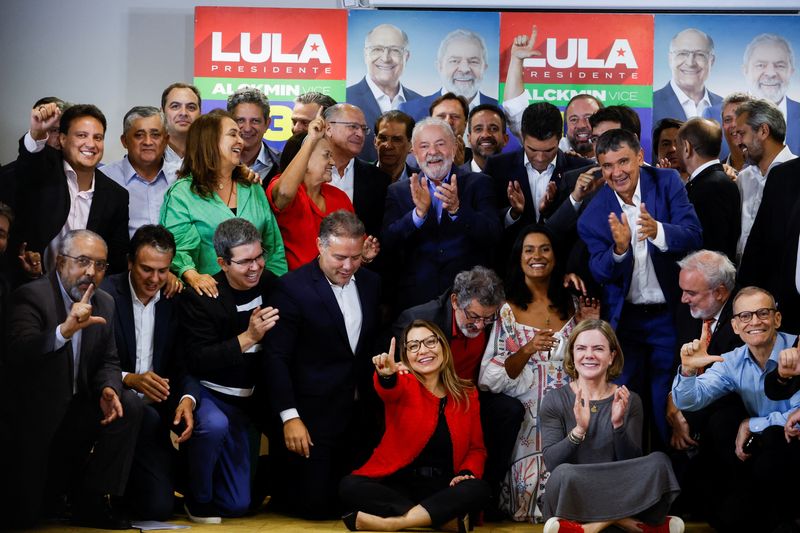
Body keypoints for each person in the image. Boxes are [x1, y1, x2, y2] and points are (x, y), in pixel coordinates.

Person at [5, 229, 143, 529]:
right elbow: (19, 352)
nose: (91, 272)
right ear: (60, 262)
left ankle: (92, 501)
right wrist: (63, 332)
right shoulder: (32, 296)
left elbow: (109, 359)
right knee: (25, 517)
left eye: (100, 265)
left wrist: (108, 387)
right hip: (34, 415)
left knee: (128, 404)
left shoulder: (104, 302)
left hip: (78, 409)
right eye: (82, 261)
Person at [577, 128, 702, 445]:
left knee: (667, 401)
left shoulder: (668, 182)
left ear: (640, 157)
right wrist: (619, 250)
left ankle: (670, 482)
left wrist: (657, 229)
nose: (616, 172)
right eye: (607, 166)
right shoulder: (592, 213)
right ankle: (629, 480)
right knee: (623, 405)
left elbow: (693, 236)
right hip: (626, 323)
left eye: (623, 162)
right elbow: (598, 270)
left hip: (669, 316)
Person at [263, 210, 382, 519]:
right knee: (316, 508)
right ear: (320, 246)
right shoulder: (291, 288)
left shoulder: (371, 284)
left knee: (358, 502)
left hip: (360, 415)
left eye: (356, 257)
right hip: (312, 418)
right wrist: (290, 417)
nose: (348, 266)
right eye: (340, 257)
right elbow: (276, 358)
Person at [479, 225, 599, 522]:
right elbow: (490, 377)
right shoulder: (505, 309)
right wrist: (528, 348)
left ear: (556, 257)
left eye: (545, 249)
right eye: (529, 250)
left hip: (568, 407)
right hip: (526, 411)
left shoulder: (573, 304)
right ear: (518, 258)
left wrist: (588, 325)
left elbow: (592, 361)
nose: (537, 256)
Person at [392, 266, 523, 519]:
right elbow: (399, 378)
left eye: (487, 319)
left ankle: (485, 495)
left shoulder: (490, 323)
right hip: (430, 399)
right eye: (473, 316)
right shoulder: (419, 319)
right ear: (455, 301)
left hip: (469, 397)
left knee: (510, 410)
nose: (480, 325)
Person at [339, 319, 489, 532]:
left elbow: (477, 448)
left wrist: (466, 471)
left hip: (444, 487)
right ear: (406, 355)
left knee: (478, 488)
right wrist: (386, 375)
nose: (423, 351)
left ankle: (393, 523)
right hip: (399, 485)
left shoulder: (467, 394)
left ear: (442, 346)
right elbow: (388, 389)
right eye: (413, 346)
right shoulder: (403, 380)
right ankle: (440, 520)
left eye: (430, 342)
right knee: (349, 486)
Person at [672, 286, 800, 532]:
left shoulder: (797, 348)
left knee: (771, 444)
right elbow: (690, 401)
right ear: (735, 326)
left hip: (791, 445)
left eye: (763, 313)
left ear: (777, 319)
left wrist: (753, 424)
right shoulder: (732, 361)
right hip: (763, 453)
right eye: (745, 316)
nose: (755, 321)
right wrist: (688, 371)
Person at [177, 218, 280, 523]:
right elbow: (196, 359)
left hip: (249, 402)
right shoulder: (202, 297)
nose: (255, 267)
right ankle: (196, 496)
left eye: (259, 256)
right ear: (222, 262)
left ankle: (201, 477)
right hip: (211, 395)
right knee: (214, 426)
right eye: (244, 261)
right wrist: (248, 338)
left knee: (237, 506)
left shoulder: (272, 285)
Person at [540, 319, 682, 533]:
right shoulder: (554, 399)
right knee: (563, 475)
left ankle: (589, 528)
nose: (589, 355)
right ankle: (631, 524)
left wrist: (618, 425)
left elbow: (632, 461)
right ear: (572, 354)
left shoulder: (629, 399)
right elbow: (552, 463)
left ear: (611, 356)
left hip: (619, 485)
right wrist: (579, 430)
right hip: (578, 486)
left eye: (598, 349)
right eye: (581, 348)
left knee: (659, 462)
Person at [101, 224, 199, 520]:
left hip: (157, 409)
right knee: (144, 415)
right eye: (146, 269)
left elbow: (186, 362)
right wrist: (128, 379)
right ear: (129, 262)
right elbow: (88, 362)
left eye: (163, 270)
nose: (155, 279)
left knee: (158, 509)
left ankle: (189, 489)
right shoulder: (105, 294)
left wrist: (187, 399)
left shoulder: (174, 299)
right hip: (111, 402)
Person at [159, 109, 287, 298]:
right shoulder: (182, 194)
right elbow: (175, 250)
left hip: (259, 297)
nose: (241, 141)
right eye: (232, 134)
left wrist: (279, 292)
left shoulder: (252, 187)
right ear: (209, 141)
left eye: (240, 135)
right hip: (209, 300)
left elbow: (273, 248)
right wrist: (192, 275)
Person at [382, 117, 500, 311]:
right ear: (414, 152)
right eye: (424, 146)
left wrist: (457, 210)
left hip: (469, 301)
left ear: (454, 148)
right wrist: (417, 215)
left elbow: (493, 234)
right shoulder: (399, 191)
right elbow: (388, 243)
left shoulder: (479, 183)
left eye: (440, 144)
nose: (433, 152)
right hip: (415, 301)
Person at [8, 102, 129, 281]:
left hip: (86, 294)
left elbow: (116, 260)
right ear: (63, 139)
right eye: (82, 135)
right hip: (31, 285)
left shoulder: (116, 195)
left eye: (98, 137)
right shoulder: (44, 170)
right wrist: (37, 132)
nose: (91, 144)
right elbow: (29, 160)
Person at [267, 111, 371, 270]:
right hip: (293, 286)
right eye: (326, 155)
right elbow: (283, 194)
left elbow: (354, 244)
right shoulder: (283, 187)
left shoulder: (339, 197)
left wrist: (363, 254)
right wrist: (312, 139)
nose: (332, 162)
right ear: (304, 158)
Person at [732, 98, 795, 265]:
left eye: (742, 133)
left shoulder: (797, 175)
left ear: (763, 131)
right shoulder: (743, 178)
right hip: (744, 281)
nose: (737, 142)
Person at [347, 23, 422, 162]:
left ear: (407, 56)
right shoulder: (344, 100)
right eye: (377, 49)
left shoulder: (423, 105)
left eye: (394, 50)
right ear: (365, 54)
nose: (386, 58)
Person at [102, 106, 176, 239]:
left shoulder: (181, 177)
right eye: (139, 135)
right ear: (124, 141)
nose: (148, 142)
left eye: (155, 135)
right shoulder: (104, 178)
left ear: (166, 140)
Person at [677, 118, 741, 263]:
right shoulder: (712, 181)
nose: (675, 150)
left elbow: (712, 248)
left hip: (708, 280)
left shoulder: (710, 186)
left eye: (678, 144)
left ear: (687, 147)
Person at [324, 103, 391, 239]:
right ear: (328, 128)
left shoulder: (379, 180)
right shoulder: (306, 174)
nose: (360, 134)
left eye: (363, 129)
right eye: (353, 126)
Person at [399, 29, 497, 122]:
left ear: (484, 68)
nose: (464, 69)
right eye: (454, 61)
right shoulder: (409, 111)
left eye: (473, 61)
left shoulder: (501, 109)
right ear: (439, 66)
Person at [741, 33, 800, 156]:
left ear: (791, 71)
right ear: (745, 70)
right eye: (761, 65)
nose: (771, 73)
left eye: (780, 66)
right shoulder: (718, 116)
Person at [653, 28, 722, 126]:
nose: (690, 63)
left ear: (712, 61)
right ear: (670, 59)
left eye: (700, 54)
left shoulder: (725, 107)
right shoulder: (650, 105)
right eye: (682, 53)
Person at [227, 87, 282, 183]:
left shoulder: (283, 164)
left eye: (255, 121)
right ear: (228, 122)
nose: (247, 128)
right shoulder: (212, 163)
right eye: (240, 120)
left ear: (267, 124)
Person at [160, 82, 202, 180]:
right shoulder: (149, 154)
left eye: (191, 107)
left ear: (200, 113)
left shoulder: (212, 156)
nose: (183, 113)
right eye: (175, 106)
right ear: (162, 112)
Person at [374, 110, 417, 182]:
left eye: (396, 140)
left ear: (411, 144)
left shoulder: (423, 181)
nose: (388, 146)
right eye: (383, 138)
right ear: (375, 141)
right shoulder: (358, 177)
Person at [431, 93, 471, 166]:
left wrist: (459, 168)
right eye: (441, 116)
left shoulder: (476, 159)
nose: (448, 122)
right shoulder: (414, 159)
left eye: (455, 116)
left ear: (465, 125)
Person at [466, 104, 508, 172]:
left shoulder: (518, 177)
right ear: (469, 138)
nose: (485, 135)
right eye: (478, 129)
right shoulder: (454, 177)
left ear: (505, 139)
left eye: (493, 129)